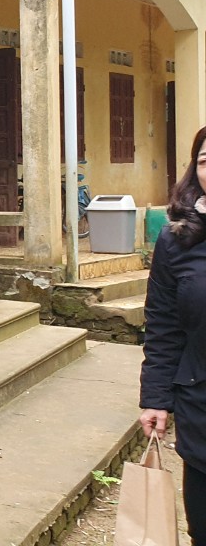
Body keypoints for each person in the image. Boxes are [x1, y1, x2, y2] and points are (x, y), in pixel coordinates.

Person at [141, 124, 206, 541]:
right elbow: (163, 325)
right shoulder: (177, 238)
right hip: (200, 404)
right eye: (204, 161)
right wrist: (155, 399)